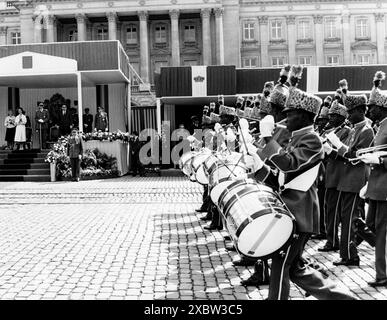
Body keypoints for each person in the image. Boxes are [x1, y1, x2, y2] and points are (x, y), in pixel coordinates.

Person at [250, 65, 355, 300]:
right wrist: (256, 167)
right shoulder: (295, 138)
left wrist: (268, 139)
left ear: (305, 116)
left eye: (290, 113)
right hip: (291, 210)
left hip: (300, 213)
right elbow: (279, 179)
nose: (285, 117)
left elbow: (290, 165)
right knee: (296, 269)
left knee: (281, 266)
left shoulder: (312, 140)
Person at [325, 89, 374, 266]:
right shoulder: (355, 129)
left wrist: (338, 146)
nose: (349, 115)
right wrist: (332, 150)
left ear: (361, 111)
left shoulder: (367, 131)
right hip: (347, 179)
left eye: (351, 112)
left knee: (349, 219)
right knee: (351, 218)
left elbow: (356, 157)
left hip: (355, 180)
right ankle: (376, 241)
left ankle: (350, 256)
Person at [359, 71, 387, 287]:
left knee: (381, 231)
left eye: (373, 107)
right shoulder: (381, 125)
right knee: (369, 227)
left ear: (382, 107)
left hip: (385, 187)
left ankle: (383, 274)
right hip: (376, 186)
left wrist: (380, 161)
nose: (369, 110)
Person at [318, 96, 352, 251]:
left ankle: (332, 241)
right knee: (328, 208)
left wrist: (330, 150)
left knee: (334, 210)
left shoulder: (347, 132)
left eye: (333, 116)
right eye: (329, 115)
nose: (329, 118)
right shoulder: (330, 131)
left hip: (339, 175)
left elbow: (345, 153)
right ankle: (330, 238)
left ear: (341, 118)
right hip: (329, 174)